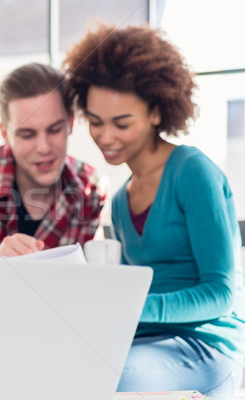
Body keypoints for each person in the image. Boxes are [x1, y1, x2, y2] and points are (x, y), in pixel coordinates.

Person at [64, 24, 244, 398]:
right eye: (96, 122)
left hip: (206, 348)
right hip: (143, 345)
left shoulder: (193, 172)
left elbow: (221, 292)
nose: (106, 137)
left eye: (122, 123)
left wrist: (131, 307)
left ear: (157, 114)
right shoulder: (120, 200)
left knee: (102, 381)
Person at [0, 63, 106, 259]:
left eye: (54, 130)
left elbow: (91, 279)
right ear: (5, 134)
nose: (43, 147)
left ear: (70, 123)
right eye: (27, 134)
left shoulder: (91, 189)